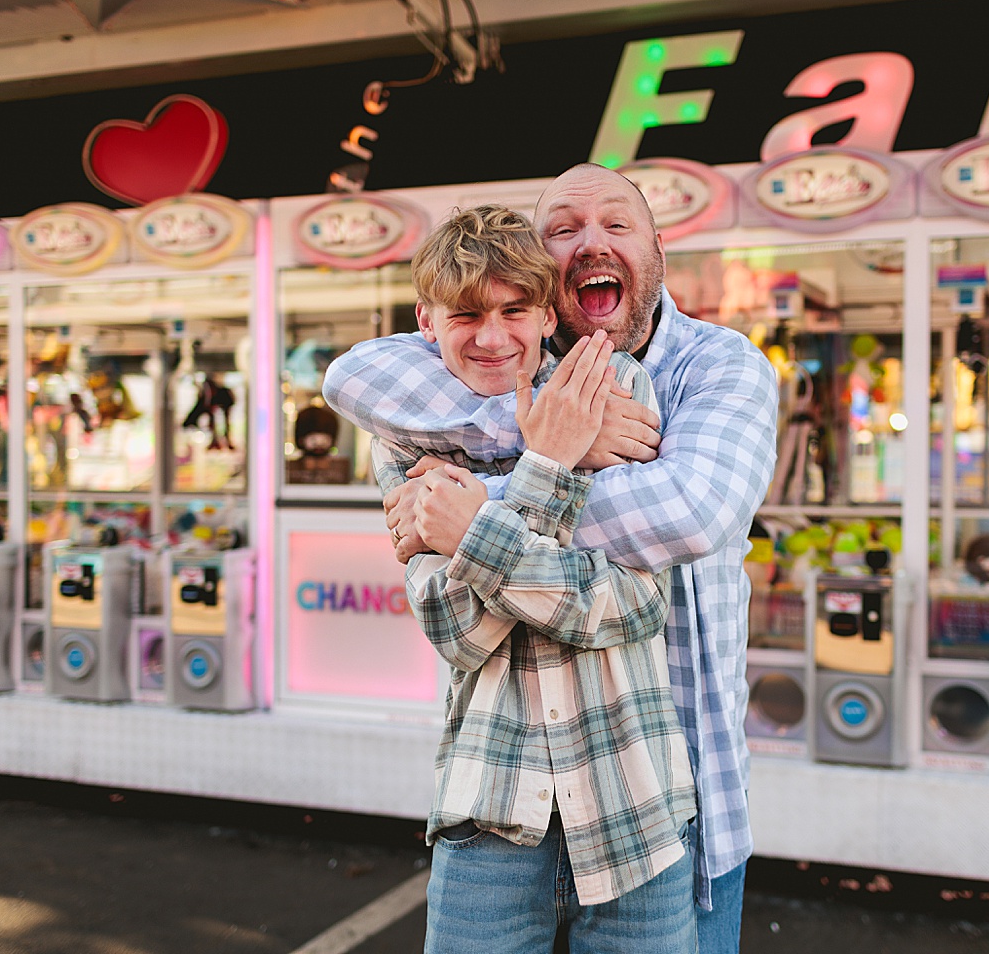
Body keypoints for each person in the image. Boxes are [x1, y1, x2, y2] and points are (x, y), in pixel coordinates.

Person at [324, 164, 779, 953]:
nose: (589, 242)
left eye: (616, 224)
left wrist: (473, 514)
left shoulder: (702, 367)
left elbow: (659, 565)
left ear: (658, 249)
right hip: (502, 788)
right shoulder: (438, 404)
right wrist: (549, 452)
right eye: (563, 229)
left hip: (661, 784)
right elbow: (459, 630)